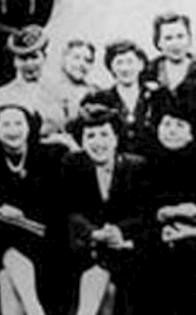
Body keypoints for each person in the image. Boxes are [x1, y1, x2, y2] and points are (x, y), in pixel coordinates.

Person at [134, 93, 196, 315]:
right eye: (166, 124)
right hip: (156, 240)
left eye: (179, 125)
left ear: (191, 132)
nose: (171, 131)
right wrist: (162, 216)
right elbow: (140, 208)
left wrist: (192, 212)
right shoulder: (143, 163)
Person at [0, 104, 67, 315]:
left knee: (7, 279)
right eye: (5, 124)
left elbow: (53, 203)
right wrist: (2, 208)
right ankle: (34, 308)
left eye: (18, 123)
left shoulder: (48, 156)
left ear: (29, 127)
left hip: (39, 238)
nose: (13, 129)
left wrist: (23, 213)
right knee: (7, 251)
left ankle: (34, 307)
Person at [63, 105, 149, 315]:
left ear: (116, 138)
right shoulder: (72, 165)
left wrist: (119, 232)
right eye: (90, 136)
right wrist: (93, 232)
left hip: (126, 248)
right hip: (85, 247)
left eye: (104, 135)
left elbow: (143, 212)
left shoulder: (136, 167)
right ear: (82, 141)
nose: (98, 142)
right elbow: (68, 210)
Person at [0, 26, 69, 140]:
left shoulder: (58, 92)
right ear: (14, 61)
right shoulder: (0, 96)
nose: (29, 64)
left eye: (34, 57)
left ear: (44, 58)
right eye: (23, 58)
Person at [82, 41, 157, 154]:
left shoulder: (156, 95)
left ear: (141, 64)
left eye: (130, 62)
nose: (125, 68)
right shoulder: (99, 99)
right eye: (119, 63)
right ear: (111, 67)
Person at [140, 12, 196, 93]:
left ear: (189, 39)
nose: (175, 43)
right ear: (158, 42)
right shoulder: (149, 72)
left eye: (180, 36)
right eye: (168, 38)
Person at [47, 39, 100, 125]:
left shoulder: (94, 92)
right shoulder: (49, 90)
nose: (82, 64)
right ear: (64, 58)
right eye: (76, 57)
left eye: (88, 60)